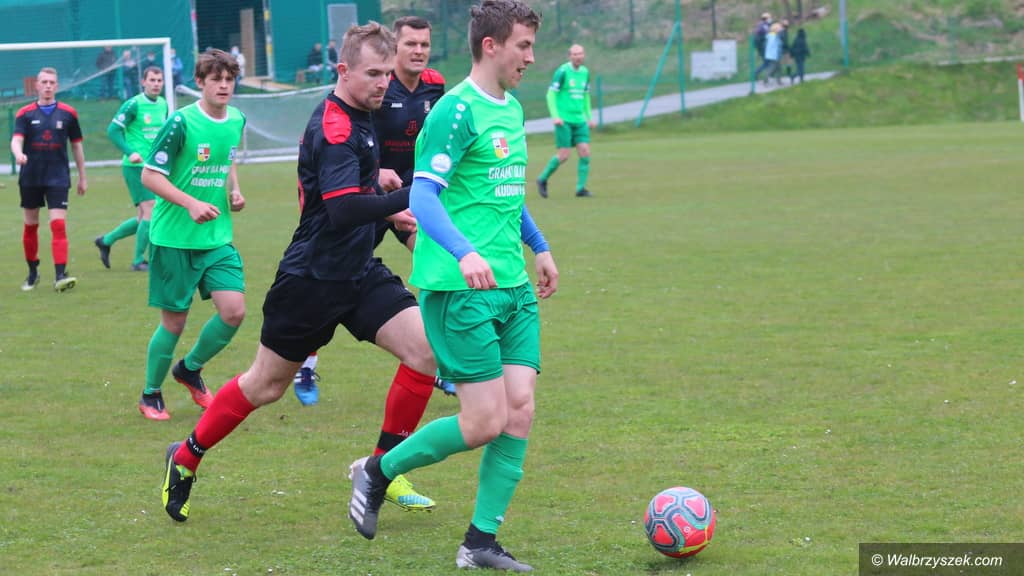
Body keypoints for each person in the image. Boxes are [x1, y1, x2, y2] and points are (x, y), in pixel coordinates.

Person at [159, 22, 450, 524]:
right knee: (265, 386)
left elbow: (353, 194)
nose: (383, 83)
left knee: (425, 351)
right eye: (373, 73)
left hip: (357, 271)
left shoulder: (363, 115)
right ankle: (185, 456)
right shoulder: (336, 127)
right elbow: (341, 210)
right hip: (311, 280)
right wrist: (411, 194)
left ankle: (380, 470)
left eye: (386, 73)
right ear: (343, 70)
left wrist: (385, 199)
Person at [348, 1, 558, 571]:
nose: (530, 58)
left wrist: (538, 246)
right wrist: (464, 254)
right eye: (523, 46)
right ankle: (377, 470)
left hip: (512, 286)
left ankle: (480, 542)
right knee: (484, 421)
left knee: (519, 411)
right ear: (491, 45)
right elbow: (423, 196)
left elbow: (503, 194)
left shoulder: (511, 109)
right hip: (459, 289)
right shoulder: (455, 111)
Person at [292, 15, 449, 407]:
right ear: (394, 48)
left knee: (437, 263)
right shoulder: (371, 87)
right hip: (366, 196)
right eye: (410, 44)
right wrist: (376, 175)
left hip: (409, 197)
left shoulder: (435, 85)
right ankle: (306, 361)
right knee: (330, 277)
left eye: (424, 45)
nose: (418, 51)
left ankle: (438, 358)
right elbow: (348, 143)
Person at [136, 49, 247, 421]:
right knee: (174, 322)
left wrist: (234, 190)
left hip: (216, 236)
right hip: (174, 239)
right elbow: (149, 175)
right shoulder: (180, 122)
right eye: (216, 79)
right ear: (200, 82)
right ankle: (151, 394)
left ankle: (189, 369)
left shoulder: (237, 119)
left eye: (229, 79)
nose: (224, 86)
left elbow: (227, 158)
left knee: (234, 312)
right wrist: (190, 203)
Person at [11, 67, 87, 292]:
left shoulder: (68, 113)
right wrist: (18, 154)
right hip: (31, 177)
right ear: (37, 85)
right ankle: (32, 272)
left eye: (52, 82)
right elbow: (16, 140)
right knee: (30, 226)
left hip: (58, 177)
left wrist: (82, 177)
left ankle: (60, 275)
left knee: (58, 225)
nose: (48, 86)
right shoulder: (24, 113)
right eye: (44, 82)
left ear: (57, 86)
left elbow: (77, 146)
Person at [95, 66, 168, 272]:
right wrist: (130, 152)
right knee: (151, 209)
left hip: (154, 166)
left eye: (159, 80)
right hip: (135, 167)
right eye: (152, 80)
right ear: (143, 82)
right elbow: (113, 131)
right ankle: (138, 261)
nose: (156, 84)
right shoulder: (133, 104)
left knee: (144, 217)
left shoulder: (163, 104)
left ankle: (106, 241)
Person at [536, 43, 596, 199]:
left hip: (580, 120)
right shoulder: (562, 72)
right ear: (569, 56)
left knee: (585, 152)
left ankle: (580, 189)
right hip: (564, 120)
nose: (578, 57)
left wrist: (589, 117)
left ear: (584, 55)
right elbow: (551, 94)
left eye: (580, 53)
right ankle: (542, 179)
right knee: (564, 155)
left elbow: (586, 96)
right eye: (575, 54)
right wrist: (555, 116)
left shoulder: (585, 72)